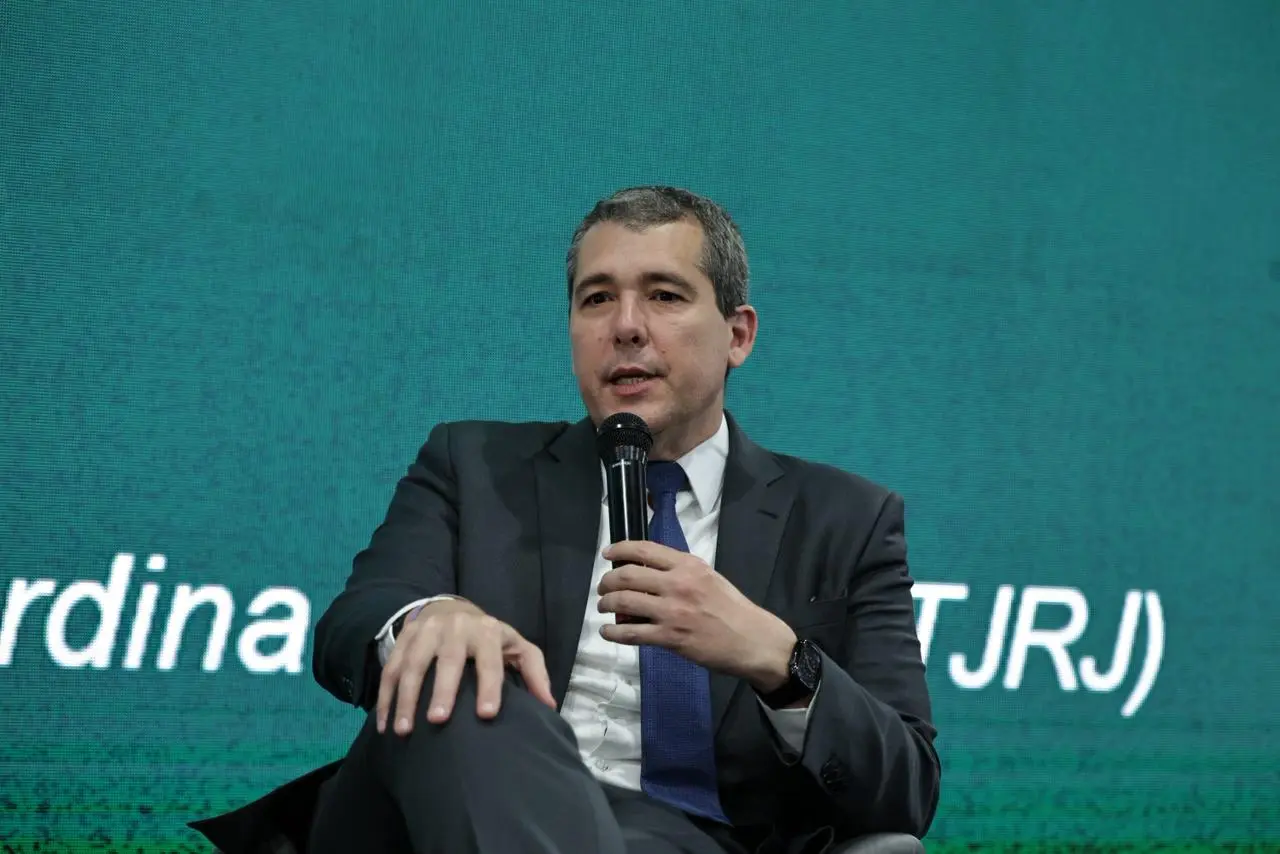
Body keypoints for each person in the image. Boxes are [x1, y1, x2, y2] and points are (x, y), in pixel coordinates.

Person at [190, 186, 940, 854]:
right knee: (461, 678)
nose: (627, 327)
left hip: (684, 838)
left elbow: (906, 791)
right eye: (596, 299)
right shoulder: (474, 464)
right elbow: (350, 629)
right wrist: (430, 619)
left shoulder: (846, 518)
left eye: (666, 296)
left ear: (737, 335)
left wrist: (781, 660)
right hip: (439, 804)